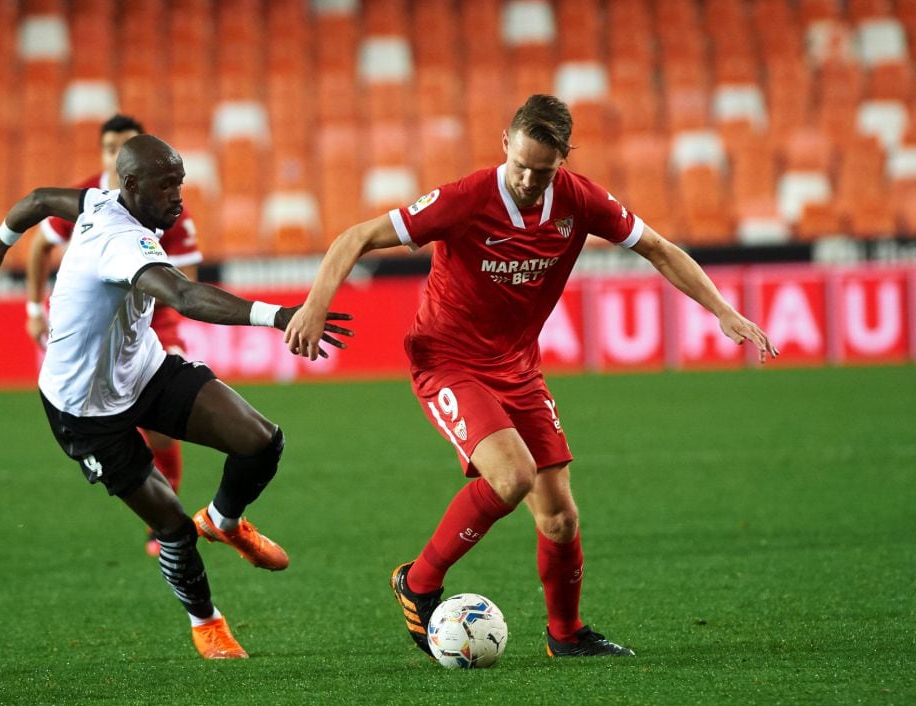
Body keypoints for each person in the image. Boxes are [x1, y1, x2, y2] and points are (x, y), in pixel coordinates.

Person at [284, 94, 778, 658]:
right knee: (512, 474)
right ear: (505, 143)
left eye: (542, 170)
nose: (527, 179)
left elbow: (660, 249)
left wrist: (724, 311)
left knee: (561, 517)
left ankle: (565, 636)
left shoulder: (581, 200)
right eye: (519, 164)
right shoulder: (465, 198)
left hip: (518, 366)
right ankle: (417, 582)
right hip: (446, 360)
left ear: (563, 160)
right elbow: (357, 236)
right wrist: (315, 304)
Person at [0, 134, 352, 660]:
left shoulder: (99, 201)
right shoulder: (119, 241)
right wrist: (279, 315)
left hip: (143, 370)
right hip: (85, 411)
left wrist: (1, 236)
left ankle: (225, 521)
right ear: (133, 185)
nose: (178, 196)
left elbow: (40, 200)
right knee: (170, 525)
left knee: (261, 441)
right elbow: (185, 296)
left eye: (180, 182)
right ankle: (206, 621)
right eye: (166, 186)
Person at [24, 114, 202, 557]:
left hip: (154, 318)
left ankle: (167, 506)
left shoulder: (165, 200)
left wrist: (153, 288)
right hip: (95, 320)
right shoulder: (88, 198)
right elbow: (40, 245)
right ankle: (155, 509)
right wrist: (32, 307)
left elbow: (189, 273)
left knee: (159, 426)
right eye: (109, 146)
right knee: (101, 408)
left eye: (123, 144)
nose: (113, 153)